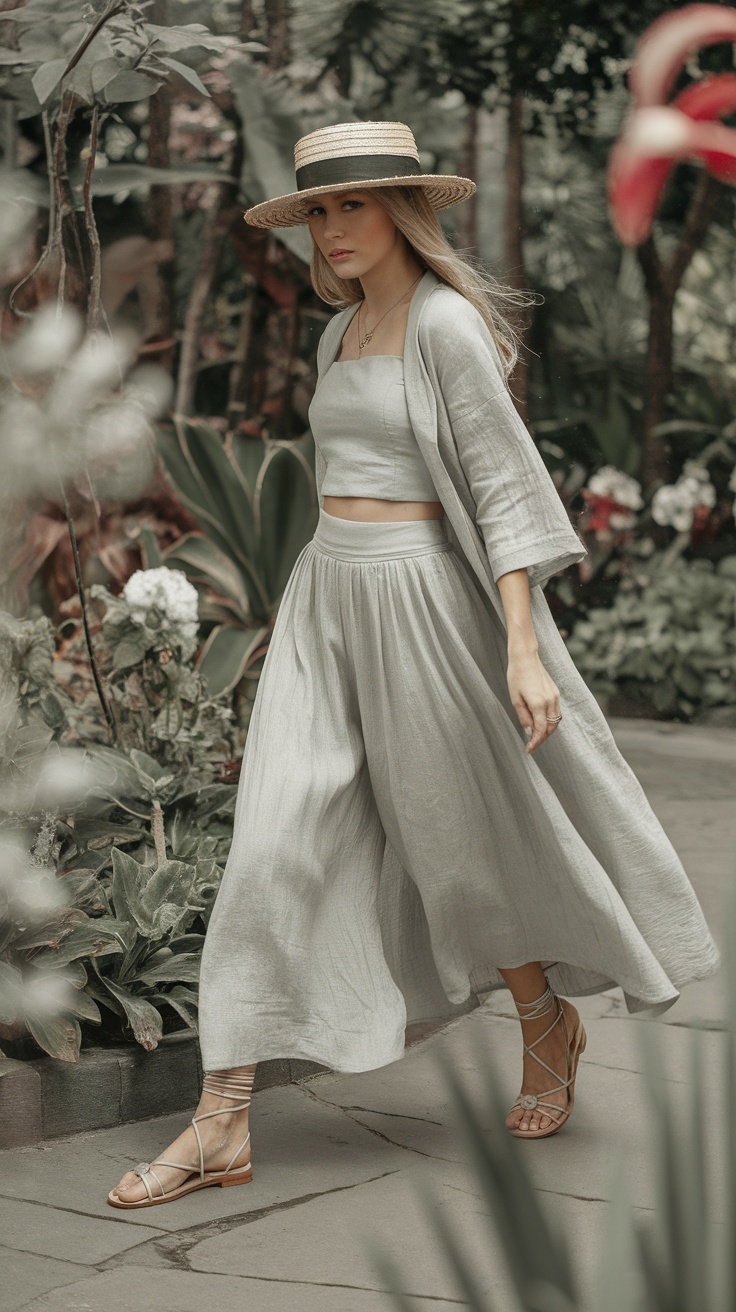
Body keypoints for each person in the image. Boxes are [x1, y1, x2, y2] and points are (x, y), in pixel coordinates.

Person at [108, 120, 720, 1209]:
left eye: (353, 204)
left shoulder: (444, 324)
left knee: (462, 843)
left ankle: (544, 1016)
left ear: (402, 207)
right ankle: (221, 1122)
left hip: (424, 605)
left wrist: (522, 652)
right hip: (326, 598)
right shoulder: (337, 333)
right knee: (271, 841)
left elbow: (502, 486)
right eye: (319, 211)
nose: (334, 230)